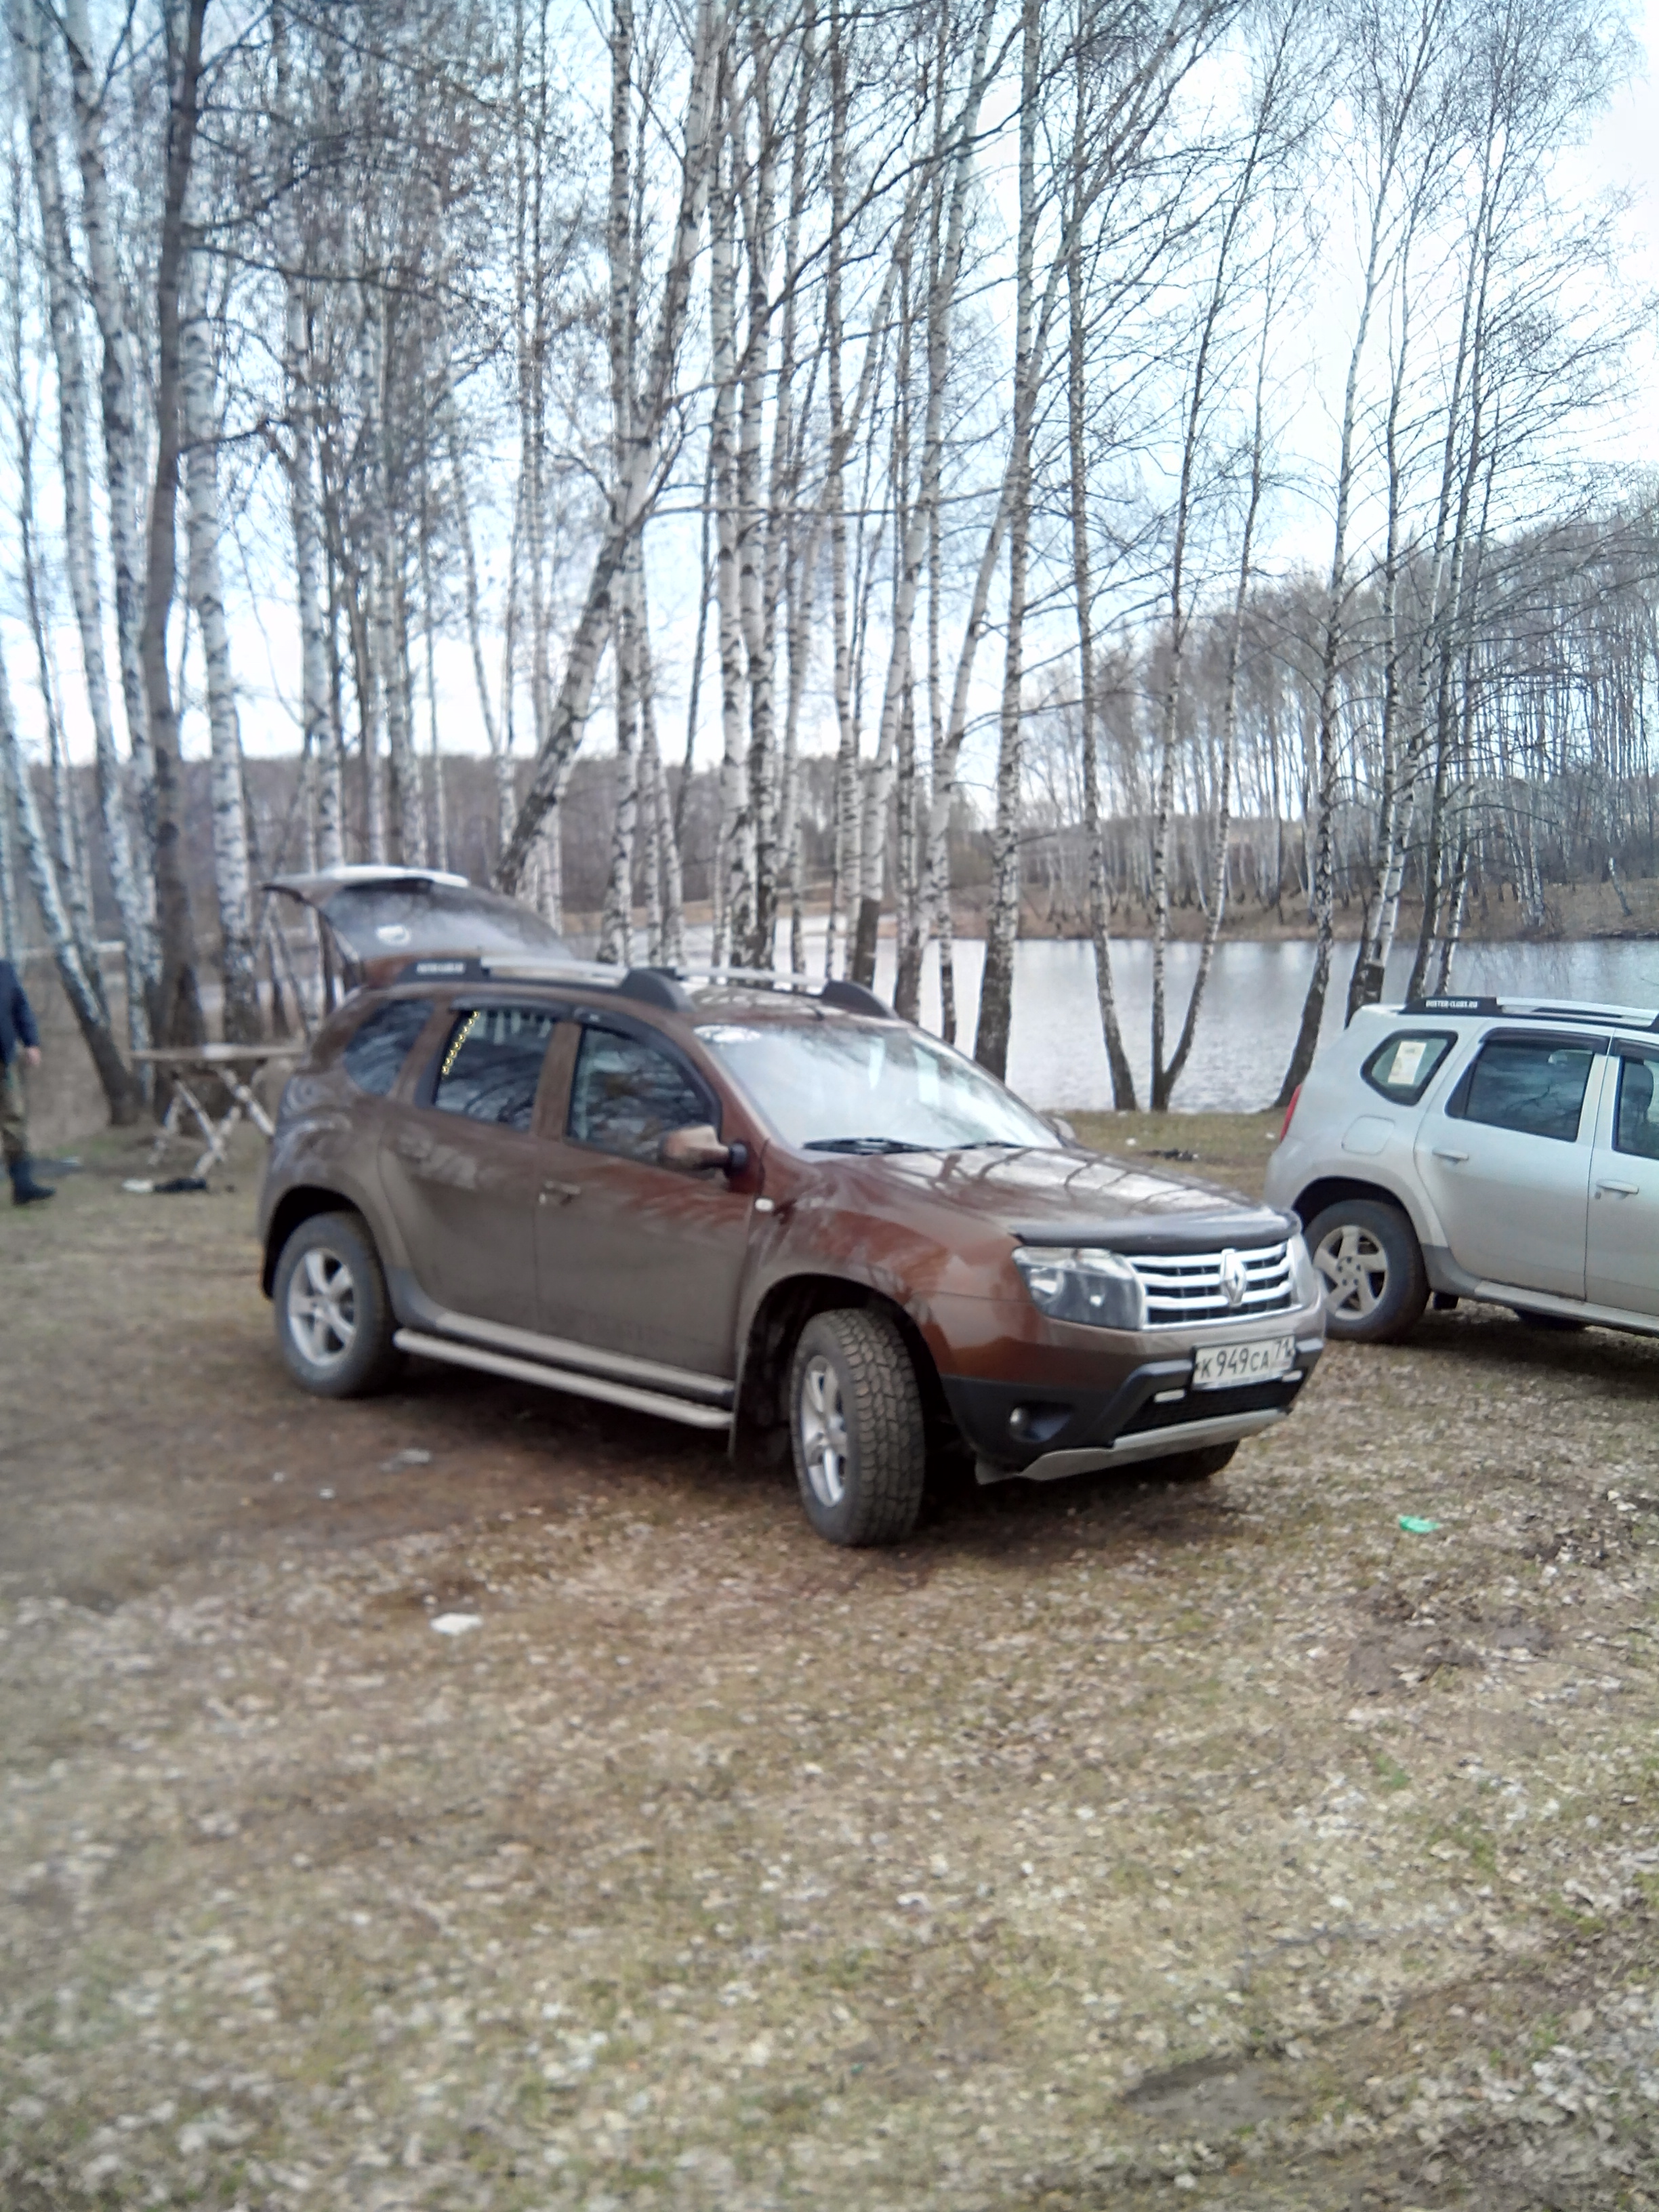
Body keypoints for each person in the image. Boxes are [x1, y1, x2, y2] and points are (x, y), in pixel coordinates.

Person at [0, 956, 54, 1206]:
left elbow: (20, 1006)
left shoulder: (4, 970)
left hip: (4, 1059)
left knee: (14, 1121)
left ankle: (22, 1187)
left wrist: (31, 1042)